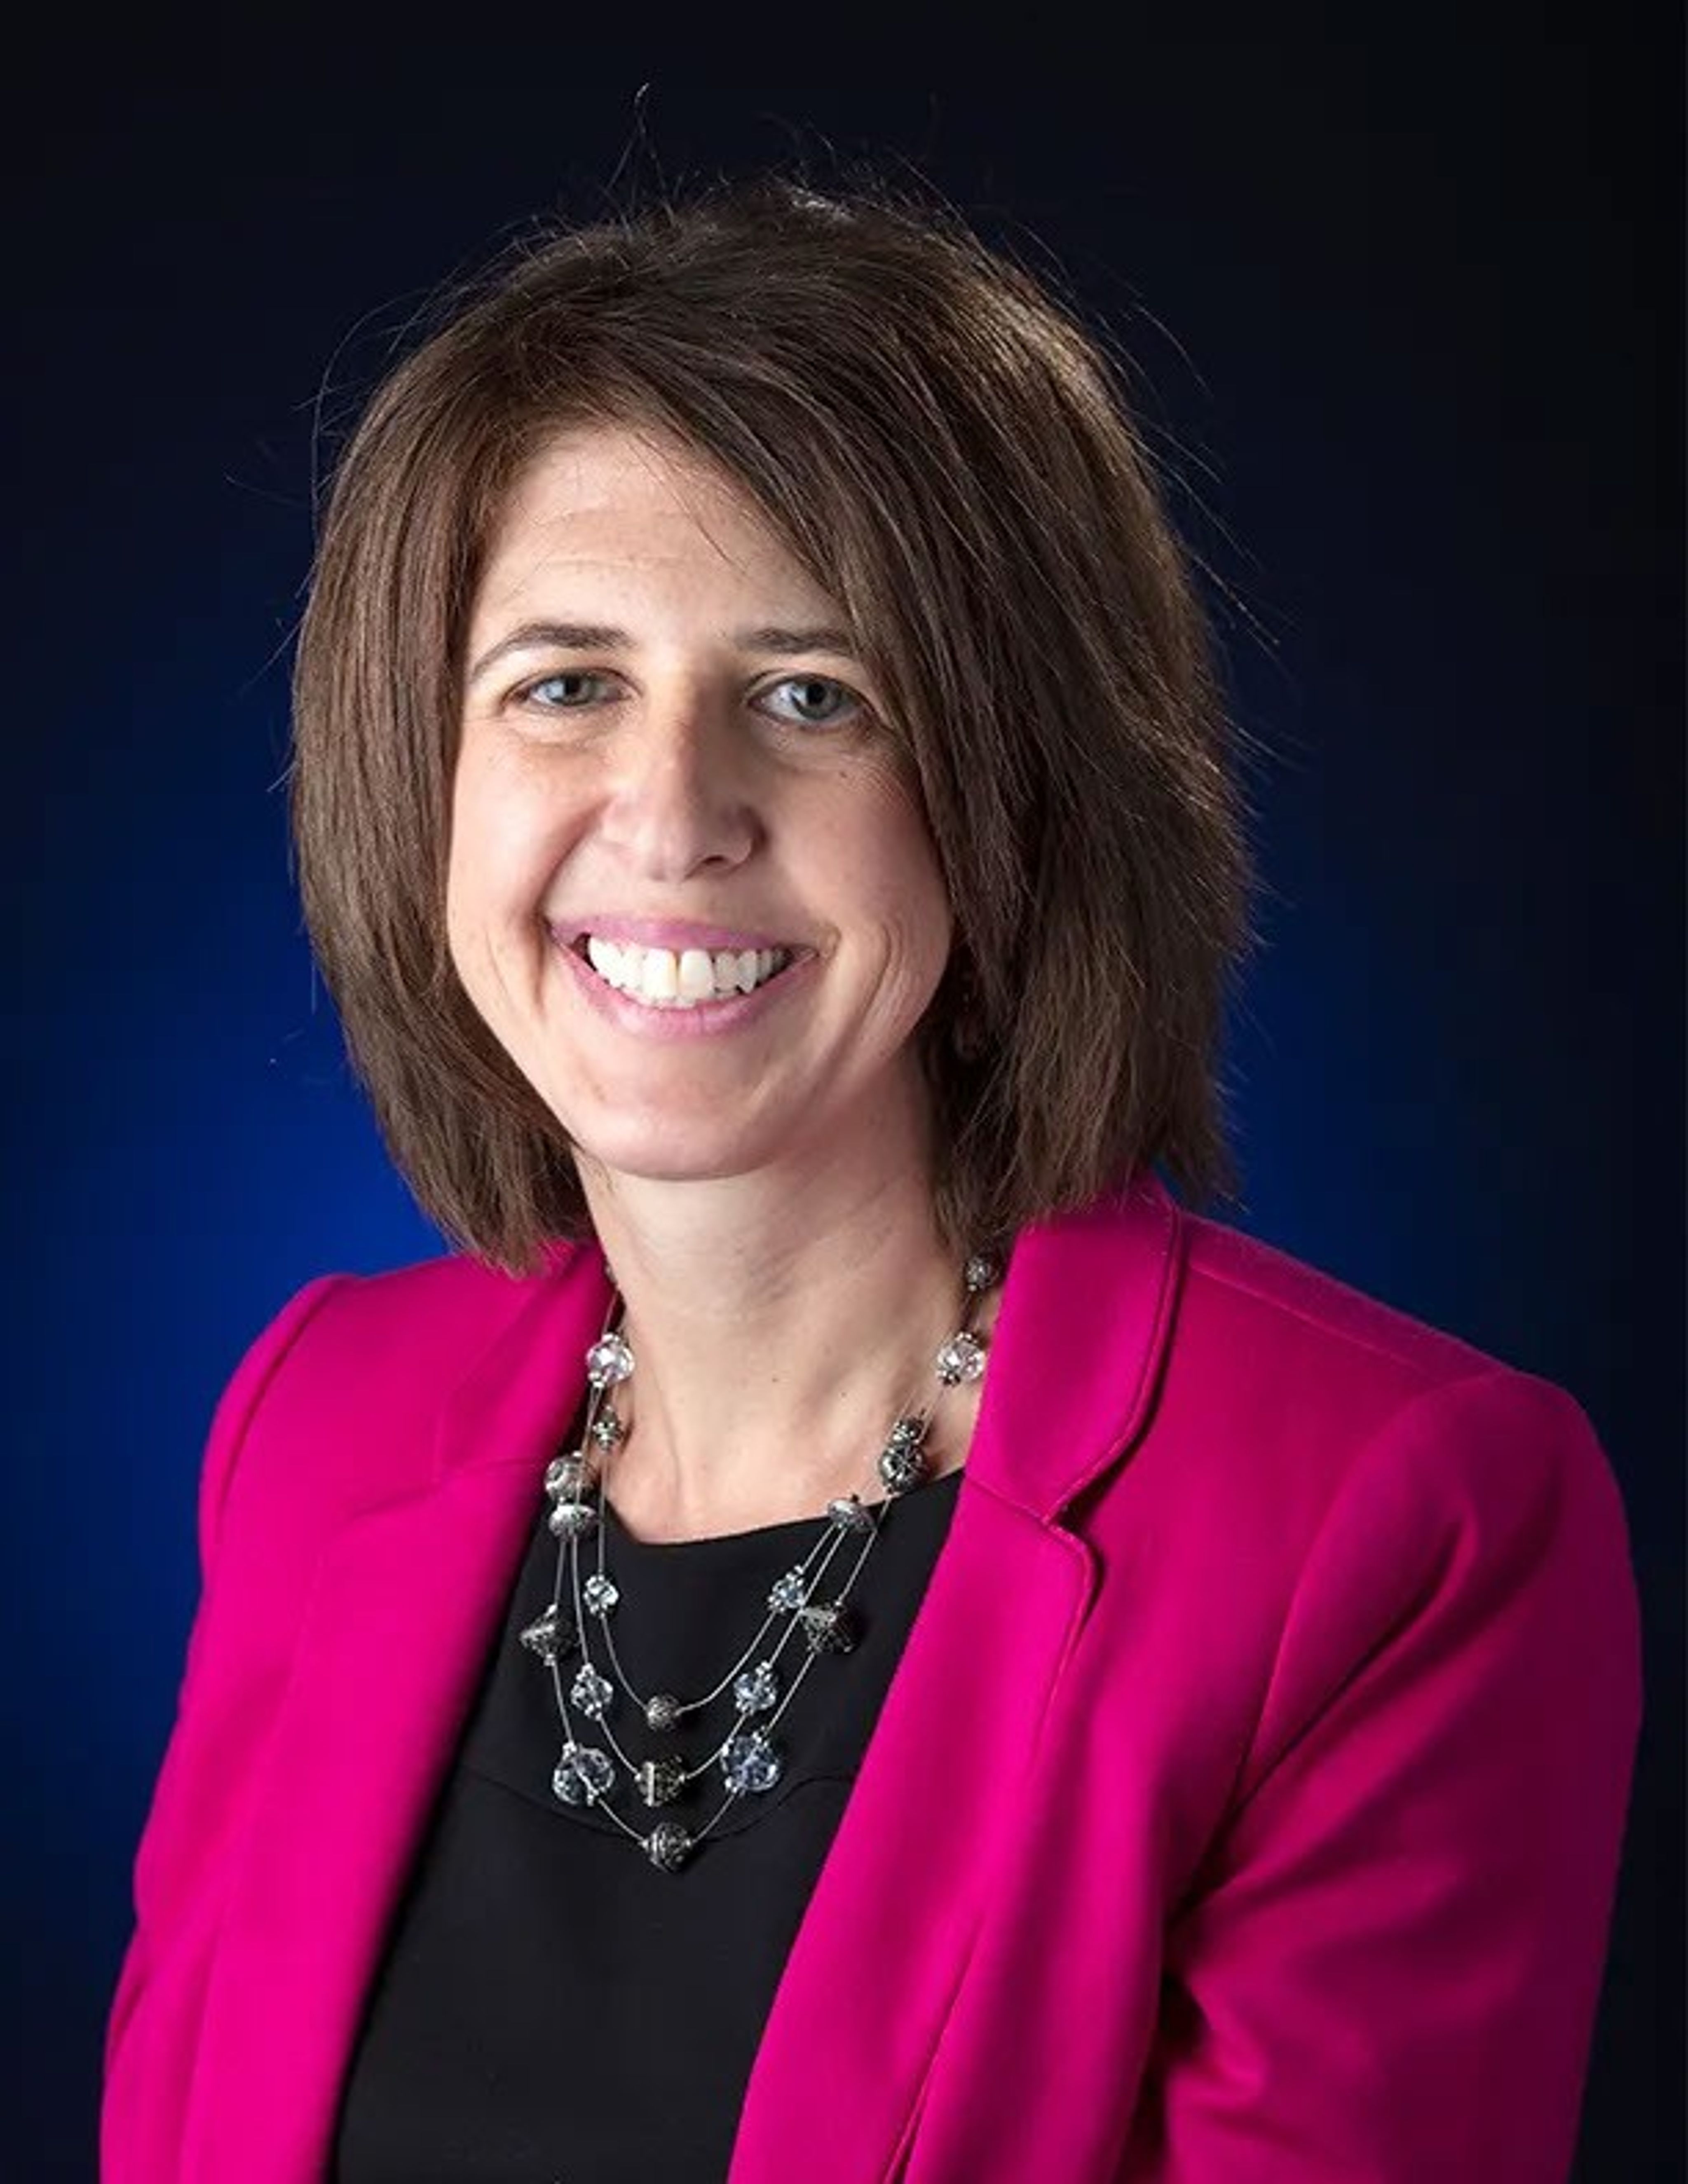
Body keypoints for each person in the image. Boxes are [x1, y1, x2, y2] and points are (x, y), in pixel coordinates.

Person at [100, 178, 1641, 2184]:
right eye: (565, 682)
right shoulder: (318, 1424)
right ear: (423, 774)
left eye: (812, 696)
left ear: (1015, 789)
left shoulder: (1391, 1527)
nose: (673, 815)